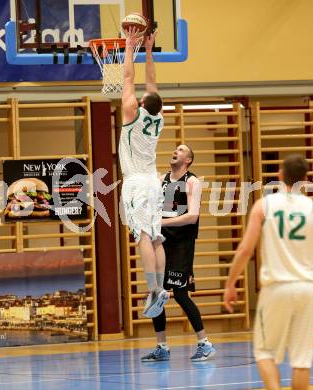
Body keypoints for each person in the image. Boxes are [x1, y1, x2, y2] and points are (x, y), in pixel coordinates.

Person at [224, 154, 313, 390]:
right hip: (307, 288)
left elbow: (246, 249)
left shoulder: (264, 205)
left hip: (276, 287)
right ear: (306, 179)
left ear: (279, 175)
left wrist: (230, 283)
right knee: (301, 359)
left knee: (265, 351)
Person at [141, 144, 216, 362]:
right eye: (175, 148)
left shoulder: (192, 181)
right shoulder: (161, 180)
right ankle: (161, 347)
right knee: (157, 294)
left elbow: (192, 216)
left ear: (188, 160)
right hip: (161, 243)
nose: (176, 150)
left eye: (182, 150)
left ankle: (205, 343)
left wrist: (160, 221)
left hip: (182, 244)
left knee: (181, 294)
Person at [119, 27, 169, 318]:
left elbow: (129, 78)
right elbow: (151, 83)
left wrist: (129, 46)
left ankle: (153, 288)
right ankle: (159, 287)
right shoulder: (158, 116)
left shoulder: (131, 112)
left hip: (136, 182)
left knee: (142, 237)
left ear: (140, 105)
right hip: (153, 180)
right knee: (156, 236)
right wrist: (148, 50)